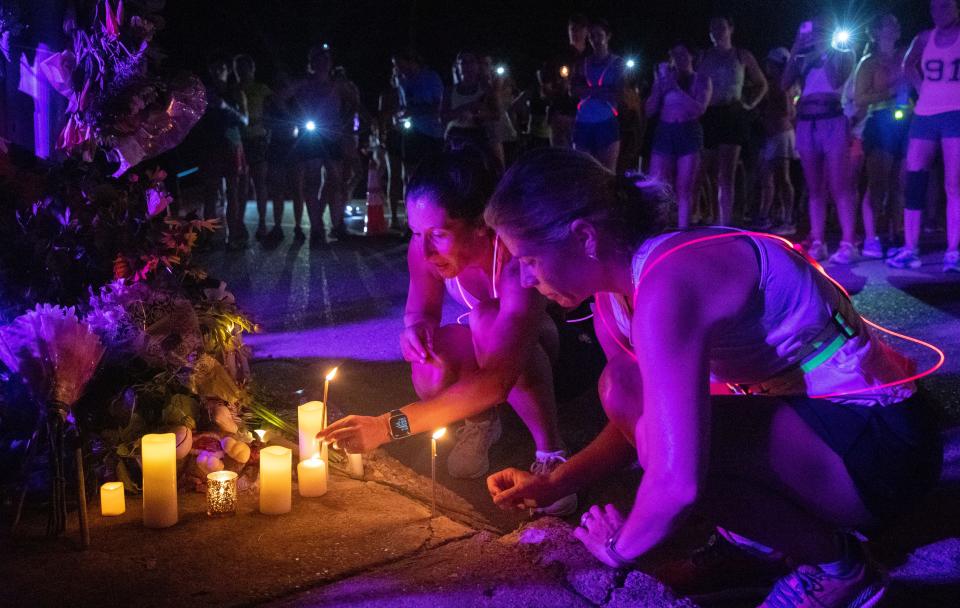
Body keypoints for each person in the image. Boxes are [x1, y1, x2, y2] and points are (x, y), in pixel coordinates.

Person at [483, 147, 941, 608]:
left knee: (671, 454)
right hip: (823, 435)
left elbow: (676, 479)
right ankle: (769, 539)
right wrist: (557, 483)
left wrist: (616, 550)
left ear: (584, 236)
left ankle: (839, 569)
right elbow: (639, 422)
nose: (522, 279)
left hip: (883, 448)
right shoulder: (614, 299)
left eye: (529, 259)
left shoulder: (669, 284)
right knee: (622, 391)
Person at [317, 150, 576, 514]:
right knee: (430, 356)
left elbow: (497, 380)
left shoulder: (517, 260)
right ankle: (482, 422)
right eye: (416, 232)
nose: (424, 249)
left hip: (554, 358)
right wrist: (415, 330)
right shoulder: (423, 250)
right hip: (495, 359)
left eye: (438, 234)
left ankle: (552, 455)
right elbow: (420, 311)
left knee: (485, 319)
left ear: (481, 224)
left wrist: (386, 426)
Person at [888, 0, 960, 273]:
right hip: (925, 114)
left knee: (954, 185)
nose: (939, 12)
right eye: (934, 8)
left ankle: (953, 251)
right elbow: (908, 65)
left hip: (956, 113)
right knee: (914, 178)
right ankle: (910, 248)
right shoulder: (924, 38)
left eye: (945, 6)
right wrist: (923, 88)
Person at [782, 15, 860, 264]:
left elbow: (837, 79)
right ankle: (818, 241)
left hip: (832, 120)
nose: (815, 34)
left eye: (820, 30)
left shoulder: (844, 52)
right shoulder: (803, 58)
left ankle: (849, 242)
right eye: (812, 30)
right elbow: (784, 83)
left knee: (840, 185)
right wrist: (796, 45)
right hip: (807, 121)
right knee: (815, 188)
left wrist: (824, 50)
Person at [697, 16, 768, 226]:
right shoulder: (703, 56)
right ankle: (705, 214)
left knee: (726, 173)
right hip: (709, 114)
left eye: (721, 27)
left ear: (731, 29)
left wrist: (750, 104)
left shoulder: (741, 55)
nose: (717, 31)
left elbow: (762, 83)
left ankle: (724, 223)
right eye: (713, 28)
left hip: (732, 113)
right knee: (701, 170)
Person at [854, 14, 911, 259]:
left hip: (907, 120)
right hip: (880, 122)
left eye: (897, 23)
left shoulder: (906, 56)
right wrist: (889, 91)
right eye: (889, 23)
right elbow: (860, 98)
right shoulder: (868, 62)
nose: (895, 26)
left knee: (901, 183)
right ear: (876, 32)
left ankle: (896, 233)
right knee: (877, 183)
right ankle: (870, 237)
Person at [645, 43, 712, 228]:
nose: (679, 58)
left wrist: (675, 88)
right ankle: (658, 229)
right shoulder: (663, 80)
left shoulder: (701, 80)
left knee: (685, 188)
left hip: (689, 133)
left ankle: (682, 231)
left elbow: (699, 109)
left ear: (692, 56)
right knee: (657, 185)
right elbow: (649, 110)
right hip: (665, 132)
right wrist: (659, 87)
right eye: (675, 54)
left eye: (683, 54)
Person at [289, 44, 349, 248]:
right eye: (318, 59)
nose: (323, 63)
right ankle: (317, 228)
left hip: (332, 135)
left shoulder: (337, 84)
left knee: (335, 181)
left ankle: (336, 224)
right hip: (312, 135)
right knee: (312, 182)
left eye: (326, 59)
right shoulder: (304, 84)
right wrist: (294, 120)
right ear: (312, 63)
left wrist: (344, 123)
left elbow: (354, 102)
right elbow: (280, 97)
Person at [198, 53, 248, 249]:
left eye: (222, 68)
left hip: (231, 145)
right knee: (210, 193)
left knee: (232, 192)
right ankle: (209, 238)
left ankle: (233, 236)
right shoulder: (204, 94)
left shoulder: (235, 94)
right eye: (215, 68)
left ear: (228, 71)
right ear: (210, 71)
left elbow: (245, 120)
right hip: (211, 147)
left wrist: (225, 106)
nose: (219, 71)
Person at [572, 19, 626, 171]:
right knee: (582, 170)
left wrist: (588, 90)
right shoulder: (582, 63)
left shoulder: (617, 63)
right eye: (591, 36)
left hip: (606, 122)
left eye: (599, 35)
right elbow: (574, 90)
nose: (595, 40)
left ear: (608, 36)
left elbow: (618, 94)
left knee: (607, 172)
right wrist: (602, 90)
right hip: (583, 122)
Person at [756, 47, 799, 235]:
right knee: (769, 176)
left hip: (781, 134)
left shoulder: (782, 85)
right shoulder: (777, 83)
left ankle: (788, 218)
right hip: (775, 134)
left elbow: (789, 112)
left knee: (782, 176)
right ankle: (767, 214)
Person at [234, 54, 274, 241]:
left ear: (252, 68)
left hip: (258, 140)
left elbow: (274, 110)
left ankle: (263, 223)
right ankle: (239, 224)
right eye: (238, 68)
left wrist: (268, 128)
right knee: (241, 185)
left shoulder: (262, 89)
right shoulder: (233, 90)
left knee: (260, 183)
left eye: (245, 67)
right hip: (239, 142)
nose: (242, 71)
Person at [393, 49, 444, 180]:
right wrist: (397, 116)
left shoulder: (431, 77)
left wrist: (414, 111)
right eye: (395, 65)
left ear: (412, 62)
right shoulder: (402, 80)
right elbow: (403, 105)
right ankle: (413, 199)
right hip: (411, 131)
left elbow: (438, 106)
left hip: (431, 131)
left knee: (432, 172)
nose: (397, 68)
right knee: (410, 173)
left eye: (400, 64)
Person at [441, 52, 498, 155]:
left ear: (477, 65)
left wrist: (481, 115)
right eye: (463, 62)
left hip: (479, 136)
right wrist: (465, 107)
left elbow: (496, 114)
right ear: (458, 66)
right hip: (455, 136)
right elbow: (442, 118)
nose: (468, 66)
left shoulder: (486, 89)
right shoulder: (449, 90)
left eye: (471, 62)